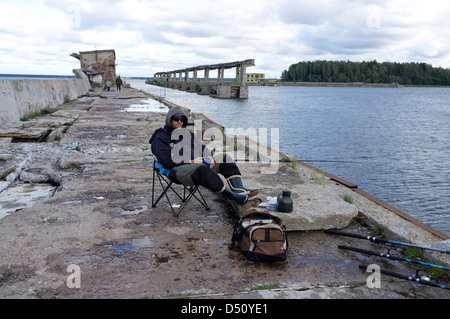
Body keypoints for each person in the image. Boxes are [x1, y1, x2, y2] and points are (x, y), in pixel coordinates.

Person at [149, 106, 259, 205]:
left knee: (224, 158)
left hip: (197, 166)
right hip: (175, 172)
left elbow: (202, 148)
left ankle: (239, 189)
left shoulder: (187, 134)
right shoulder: (160, 138)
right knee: (200, 168)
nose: (179, 122)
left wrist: (209, 157)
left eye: (182, 119)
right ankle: (231, 196)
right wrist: (191, 161)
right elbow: (166, 161)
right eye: (176, 119)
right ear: (169, 120)